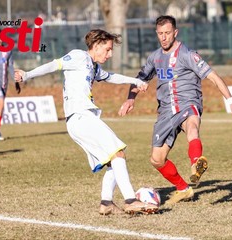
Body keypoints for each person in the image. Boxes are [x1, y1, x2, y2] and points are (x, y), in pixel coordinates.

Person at [14, 29, 158, 215]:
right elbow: (54, 65)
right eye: (107, 49)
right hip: (80, 117)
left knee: (112, 160)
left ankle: (106, 203)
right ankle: (130, 200)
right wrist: (27, 75)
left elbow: (111, 77)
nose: (110, 53)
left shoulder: (93, 66)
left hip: (81, 119)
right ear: (96, 46)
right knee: (118, 154)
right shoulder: (78, 56)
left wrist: (135, 81)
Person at [118, 15, 232, 206]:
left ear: (175, 32)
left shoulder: (188, 55)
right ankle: (183, 188)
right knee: (157, 159)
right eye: (160, 34)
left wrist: (231, 101)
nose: (164, 37)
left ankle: (196, 163)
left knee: (192, 127)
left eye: (167, 33)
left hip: (188, 103)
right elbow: (140, 80)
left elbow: (214, 77)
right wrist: (130, 99)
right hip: (165, 113)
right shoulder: (154, 57)